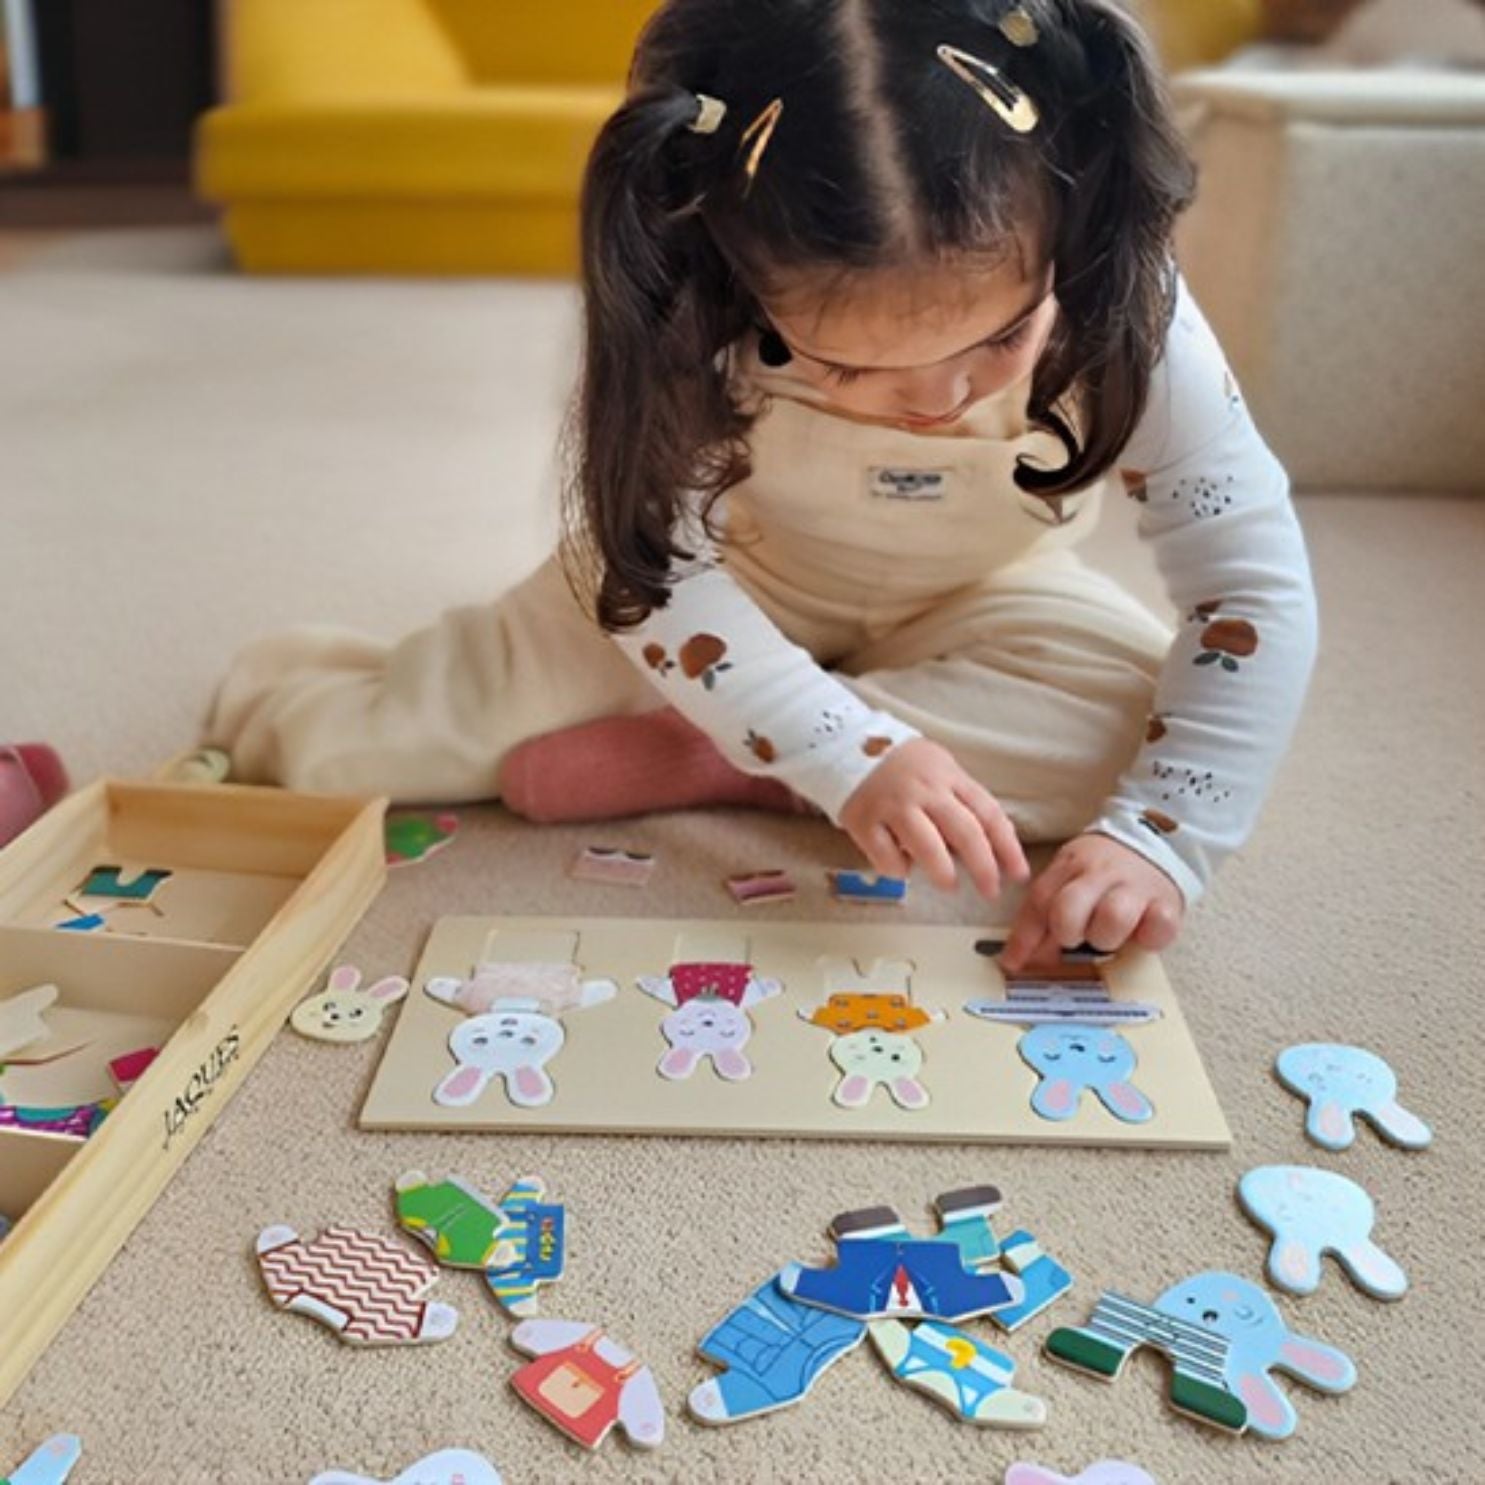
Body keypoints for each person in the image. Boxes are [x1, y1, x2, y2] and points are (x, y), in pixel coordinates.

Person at [207, 0, 1318, 972]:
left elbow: (1248, 596)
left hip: (978, 585)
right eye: (846, 368)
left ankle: (727, 755)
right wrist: (849, 752)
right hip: (710, 579)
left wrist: (1162, 840)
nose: (935, 401)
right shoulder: (687, 288)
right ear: (738, 272)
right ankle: (766, 724)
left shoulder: (1128, 297)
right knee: (354, 751)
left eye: (1000, 339)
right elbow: (650, 568)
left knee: (1152, 744)